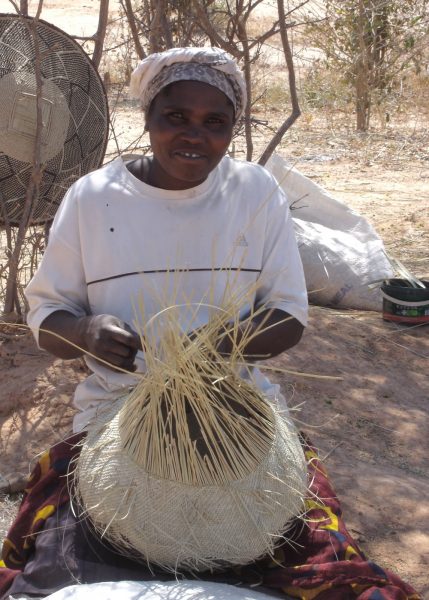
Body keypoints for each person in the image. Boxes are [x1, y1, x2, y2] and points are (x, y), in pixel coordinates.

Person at [0, 47, 420, 600]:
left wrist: (226, 343)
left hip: (239, 414)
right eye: (175, 117)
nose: (194, 136)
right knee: (56, 569)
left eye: (214, 123)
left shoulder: (254, 193)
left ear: (231, 129)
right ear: (147, 117)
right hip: (114, 417)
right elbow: (47, 316)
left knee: (327, 567)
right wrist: (84, 332)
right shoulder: (94, 199)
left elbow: (288, 314)